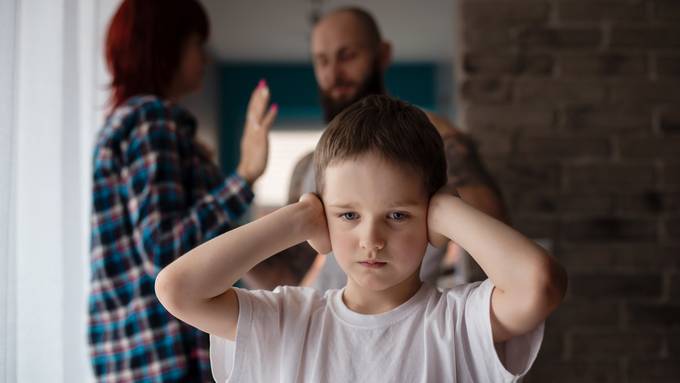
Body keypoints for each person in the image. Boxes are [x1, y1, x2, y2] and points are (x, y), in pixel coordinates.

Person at [156, 95, 567, 382]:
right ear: (324, 215)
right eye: (348, 215)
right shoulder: (289, 320)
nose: (372, 238)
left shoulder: (456, 323)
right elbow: (177, 289)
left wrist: (447, 211)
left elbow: (540, 285)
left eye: (398, 215)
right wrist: (298, 219)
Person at [243, 6, 507, 290]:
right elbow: (286, 276)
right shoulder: (310, 165)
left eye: (347, 56)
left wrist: (441, 144)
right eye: (322, 61)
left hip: (410, 323)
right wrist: (243, 180)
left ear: (382, 55)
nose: (334, 75)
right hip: (331, 325)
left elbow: (494, 231)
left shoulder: (433, 140)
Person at [88, 0, 276, 381]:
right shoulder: (151, 120)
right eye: (197, 44)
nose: (205, 58)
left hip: (134, 354)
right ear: (167, 46)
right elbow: (164, 250)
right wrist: (243, 177)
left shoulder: (129, 122)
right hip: (165, 354)